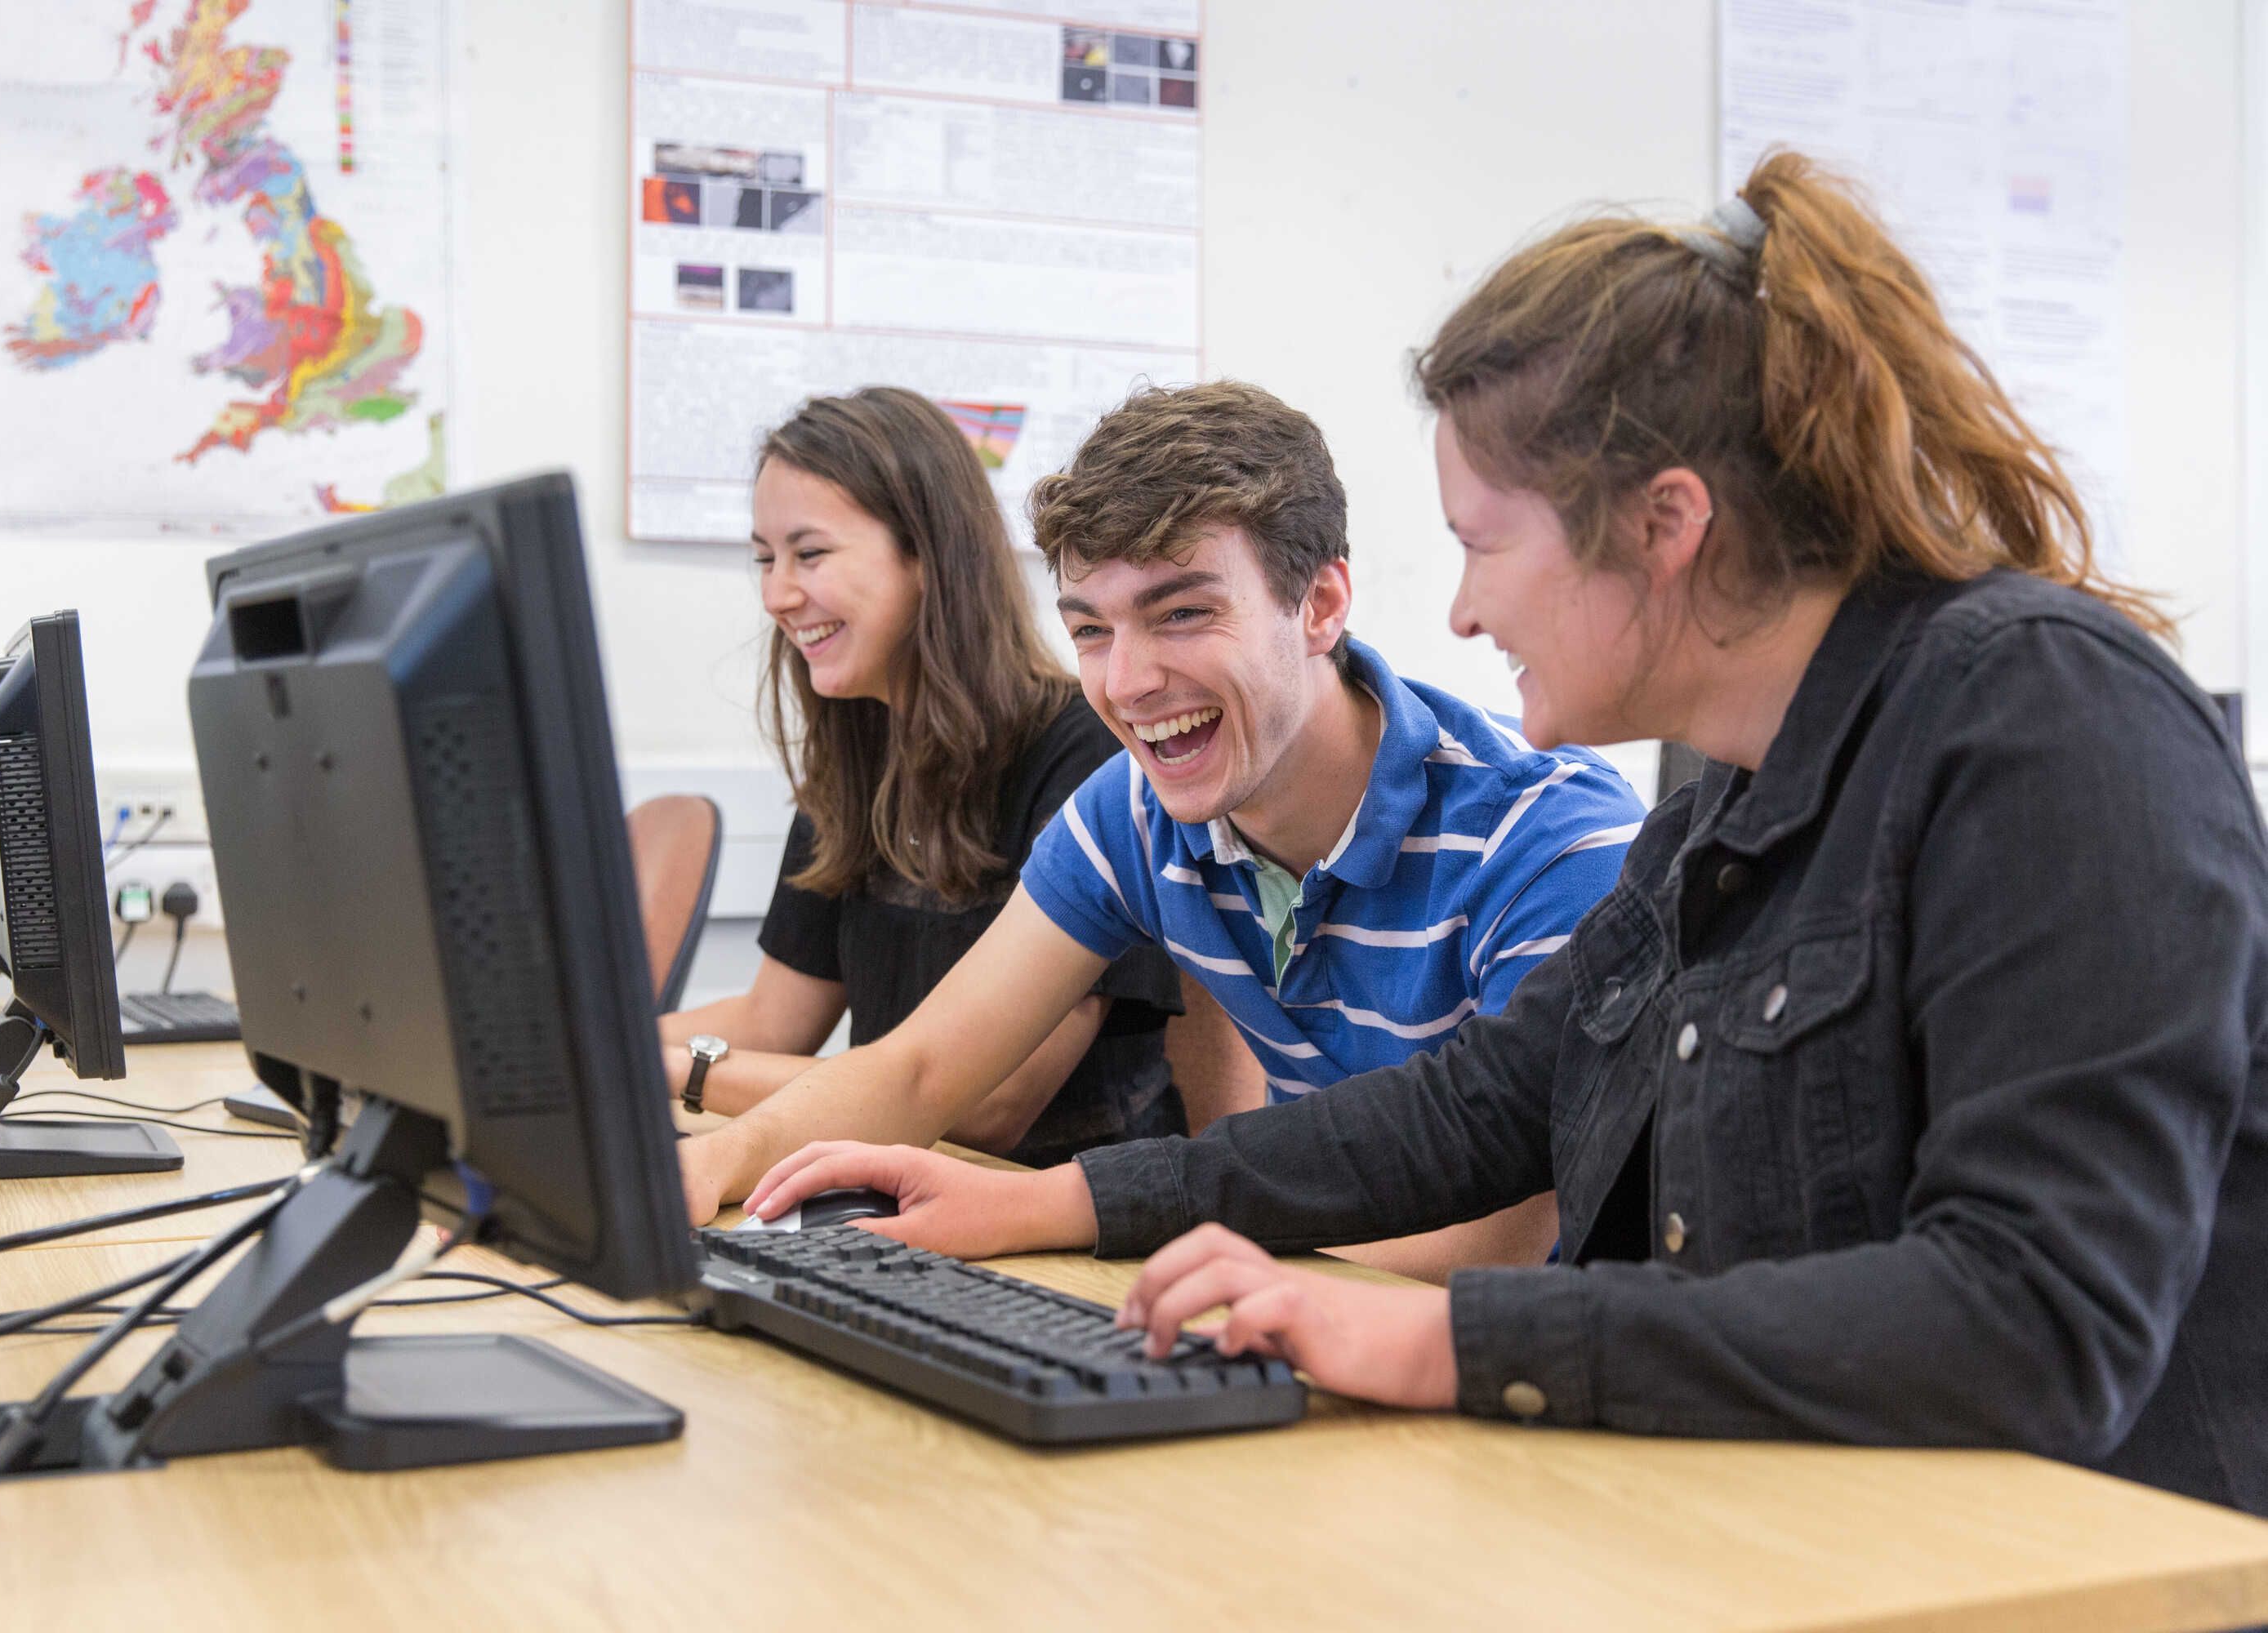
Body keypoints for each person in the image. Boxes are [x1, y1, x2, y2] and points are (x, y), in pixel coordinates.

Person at [738, 153, 2268, 1516]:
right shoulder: (1733, 792)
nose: (1463, 608)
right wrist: (1055, 1206)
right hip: (1820, 1527)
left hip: (2088, 1567)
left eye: (1482, 545)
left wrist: (1442, 1336)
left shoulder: (2047, 722)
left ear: (1666, 528)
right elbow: (1482, 1105)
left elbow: (2034, 1321)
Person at [679, 380, 1646, 1279]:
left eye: (1181, 612)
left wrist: (1186, 1271)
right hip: (1300, 1318)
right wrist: (716, 1163)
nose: (1129, 682)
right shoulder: (1133, 813)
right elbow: (922, 1066)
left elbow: (1511, 1223)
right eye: (1093, 630)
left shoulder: (1547, 839)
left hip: (1512, 1385)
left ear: (1320, 603)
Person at [655, 385, 1187, 1168]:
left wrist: (686, 1071)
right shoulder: (859, 760)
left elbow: (985, 1108)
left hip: (1057, 1217)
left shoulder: (1085, 758)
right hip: (896, 1190)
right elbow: (774, 1021)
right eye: (765, 559)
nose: (776, 594)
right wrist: (577, 1049)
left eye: (810, 553)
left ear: (928, 556)